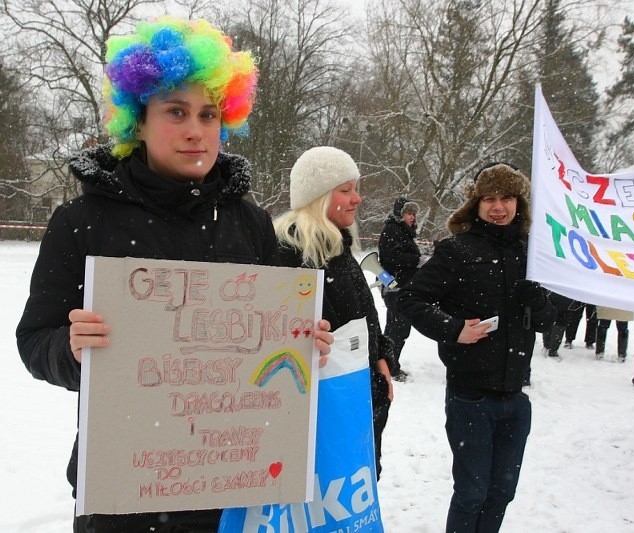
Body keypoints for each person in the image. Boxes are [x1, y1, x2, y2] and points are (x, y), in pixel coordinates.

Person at [15, 18, 333, 533]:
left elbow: (278, 335)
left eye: (209, 115)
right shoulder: (83, 221)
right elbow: (35, 340)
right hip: (121, 487)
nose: (195, 130)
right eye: (176, 112)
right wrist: (70, 350)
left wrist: (305, 340)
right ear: (137, 121)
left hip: (232, 483)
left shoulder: (250, 222)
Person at [398, 162, 553, 533]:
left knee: (502, 492)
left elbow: (551, 322)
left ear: (520, 203)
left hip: (515, 398)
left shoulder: (533, 253)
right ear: (477, 203)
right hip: (471, 398)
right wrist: (453, 330)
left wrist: (540, 303)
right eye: (490, 198)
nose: (498, 207)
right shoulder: (457, 250)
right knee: (472, 493)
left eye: (507, 198)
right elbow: (413, 299)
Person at [271, 146, 394, 480]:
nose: (357, 199)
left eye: (356, 188)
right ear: (318, 196)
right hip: (320, 415)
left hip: (354, 402)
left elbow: (363, 315)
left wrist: (380, 356)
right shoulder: (291, 252)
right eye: (346, 190)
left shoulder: (336, 246)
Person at [378, 196, 422, 381]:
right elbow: (391, 257)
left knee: (399, 328)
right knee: (397, 329)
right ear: (400, 214)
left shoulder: (404, 232)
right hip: (394, 287)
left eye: (413, 214)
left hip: (402, 287)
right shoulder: (393, 230)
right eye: (408, 213)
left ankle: (389, 365)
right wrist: (417, 260)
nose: (412, 217)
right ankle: (389, 367)